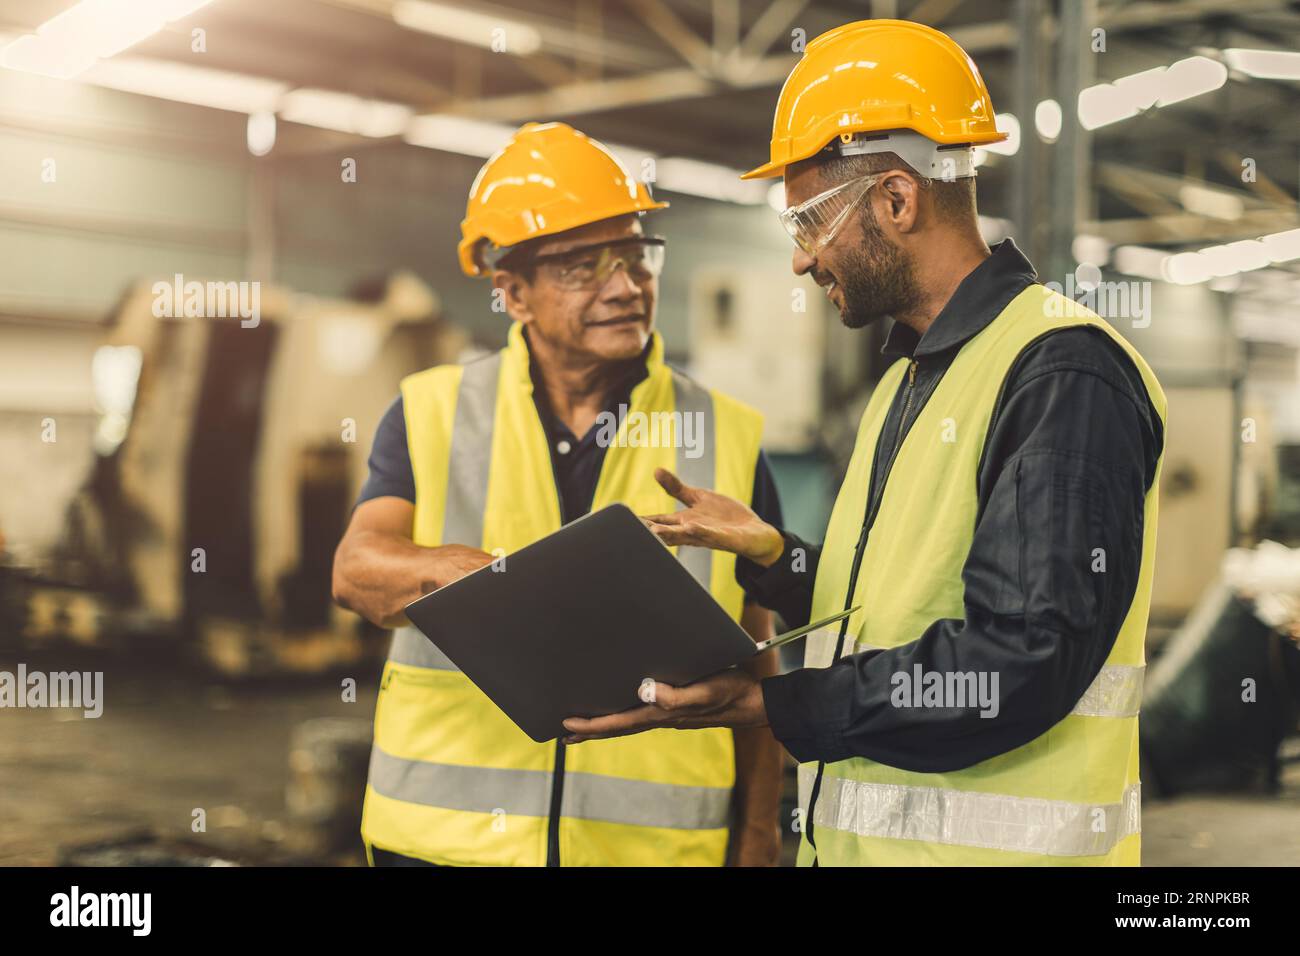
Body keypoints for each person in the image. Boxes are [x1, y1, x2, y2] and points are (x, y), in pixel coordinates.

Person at [562, 21, 1167, 867]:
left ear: (896, 198)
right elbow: (890, 616)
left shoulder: (1060, 372)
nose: (803, 262)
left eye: (809, 221)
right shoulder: (905, 384)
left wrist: (775, 707)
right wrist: (777, 556)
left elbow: (1021, 661)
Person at [332, 122, 784, 866]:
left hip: (648, 851)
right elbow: (356, 571)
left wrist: (760, 837)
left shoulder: (721, 432)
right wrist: (465, 580)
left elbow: (759, 654)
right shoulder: (431, 411)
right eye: (581, 266)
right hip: (446, 846)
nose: (625, 285)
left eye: (637, 254)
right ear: (513, 293)